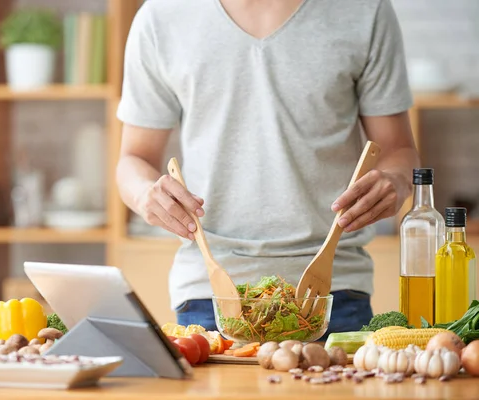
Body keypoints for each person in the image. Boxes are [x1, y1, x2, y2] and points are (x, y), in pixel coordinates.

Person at [115, 0, 420, 337]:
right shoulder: (161, 17)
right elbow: (133, 159)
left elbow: (399, 151)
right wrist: (146, 195)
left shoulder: (366, 11)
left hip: (334, 293)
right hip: (211, 296)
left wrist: (395, 182)